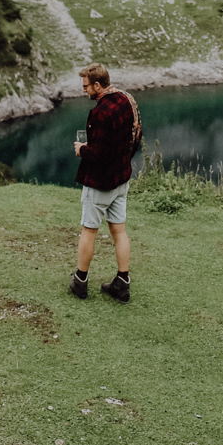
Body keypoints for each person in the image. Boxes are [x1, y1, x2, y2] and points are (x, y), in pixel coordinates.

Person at [69, 63, 142, 303]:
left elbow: (98, 153)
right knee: (119, 230)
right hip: (121, 179)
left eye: (86, 86)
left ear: (97, 85)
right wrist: (124, 162)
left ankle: (80, 281)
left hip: (100, 183)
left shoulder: (100, 113)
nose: (84, 90)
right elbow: (136, 135)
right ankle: (122, 282)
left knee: (89, 230)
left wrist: (82, 149)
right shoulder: (125, 99)